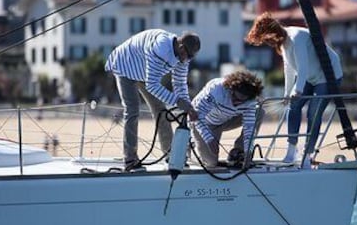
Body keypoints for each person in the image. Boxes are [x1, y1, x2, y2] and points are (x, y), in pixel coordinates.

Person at [245, 11, 343, 165]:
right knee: (293, 106)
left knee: (313, 113)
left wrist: (297, 91)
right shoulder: (283, 44)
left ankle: (308, 154)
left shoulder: (296, 38)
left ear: (273, 34)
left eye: (267, 40)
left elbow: (302, 66)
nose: (269, 44)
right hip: (311, 77)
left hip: (328, 75)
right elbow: (289, 68)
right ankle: (291, 151)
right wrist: (287, 93)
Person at [105, 29, 199, 171]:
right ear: (181, 47)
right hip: (125, 66)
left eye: (190, 57)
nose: (187, 60)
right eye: (187, 55)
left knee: (160, 111)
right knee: (132, 110)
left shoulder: (184, 57)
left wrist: (187, 107)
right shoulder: (161, 48)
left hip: (145, 73)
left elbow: (179, 83)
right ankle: (130, 159)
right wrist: (178, 102)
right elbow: (152, 86)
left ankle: (171, 155)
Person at [191, 71, 264, 168]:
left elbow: (249, 128)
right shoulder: (217, 90)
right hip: (204, 122)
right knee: (211, 163)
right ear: (231, 89)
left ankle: (238, 152)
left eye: (241, 101)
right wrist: (209, 139)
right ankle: (191, 145)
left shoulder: (251, 101)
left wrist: (248, 152)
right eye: (234, 97)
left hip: (227, 119)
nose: (235, 102)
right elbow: (197, 115)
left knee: (259, 111)